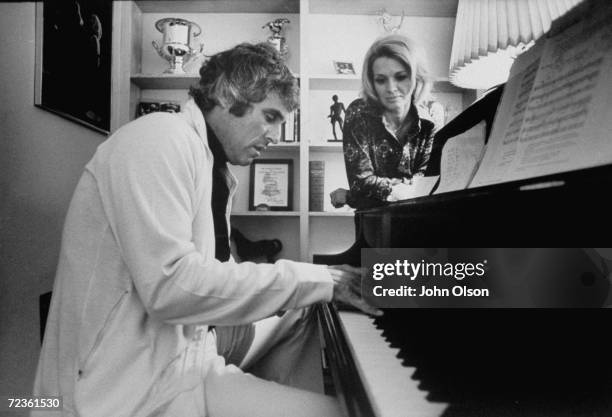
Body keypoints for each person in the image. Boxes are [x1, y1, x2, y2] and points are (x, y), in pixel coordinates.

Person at [33, 42, 380, 417]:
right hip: (123, 392)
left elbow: (214, 275)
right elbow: (171, 287)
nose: (275, 136)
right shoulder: (160, 139)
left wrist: (311, 285)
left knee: (302, 312)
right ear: (231, 98)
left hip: (189, 359)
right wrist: (317, 279)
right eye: (269, 117)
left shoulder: (211, 164)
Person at [330, 34, 435, 210]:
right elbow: (362, 183)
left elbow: (426, 186)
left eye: (401, 77)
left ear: (416, 78)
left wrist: (350, 196)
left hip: (418, 221)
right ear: (372, 82)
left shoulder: (428, 125)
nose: (391, 88)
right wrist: (407, 187)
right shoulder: (358, 113)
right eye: (381, 80)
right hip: (374, 227)